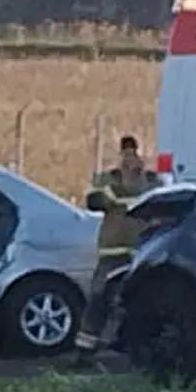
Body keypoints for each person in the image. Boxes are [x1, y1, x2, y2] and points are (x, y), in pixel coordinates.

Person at [75, 135, 162, 356]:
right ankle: (84, 351)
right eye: (125, 153)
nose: (129, 157)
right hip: (112, 252)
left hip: (143, 252)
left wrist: (137, 178)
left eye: (133, 152)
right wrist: (123, 182)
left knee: (139, 302)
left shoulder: (152, 182)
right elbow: (96, 201)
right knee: (97, 298)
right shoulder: (108, 180)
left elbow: (153, 199)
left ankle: (138, 348)